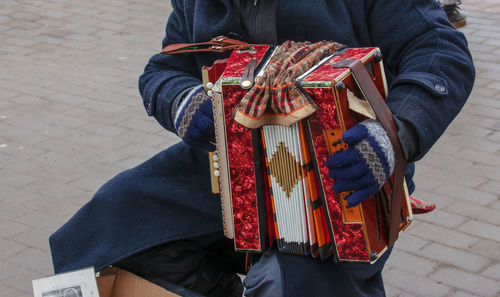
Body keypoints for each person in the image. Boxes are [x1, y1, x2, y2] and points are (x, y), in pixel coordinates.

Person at [49, 1, 475, 296]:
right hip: (228, 170)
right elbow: (164, 69)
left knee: (296, 283)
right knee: (106, 225)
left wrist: (393, 134)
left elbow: (442, 52)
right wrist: (184, 102)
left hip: (350, 171)